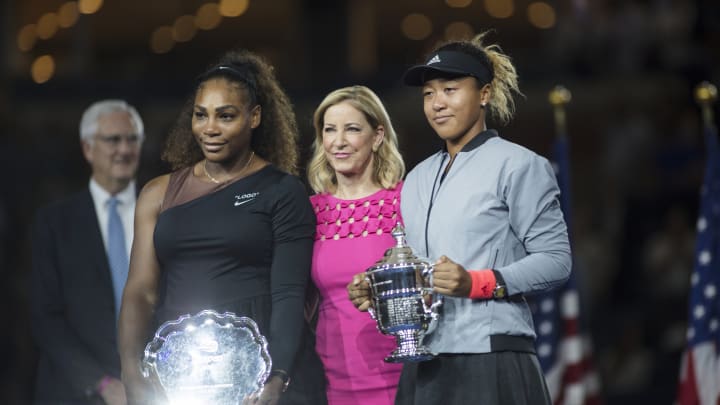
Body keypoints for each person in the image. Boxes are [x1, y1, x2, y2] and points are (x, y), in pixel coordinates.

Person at [348, 32, 572, 404]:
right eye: (428, 94)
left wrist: (477, 282)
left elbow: (557, 261)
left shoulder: (520, 165)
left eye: (450, 89)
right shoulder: (417, 178)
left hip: (492, 355)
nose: (437, 103)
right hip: (425, 358)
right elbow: (418, 271)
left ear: (483, 94)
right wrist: (381, 290)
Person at [118, 49, 325, 405]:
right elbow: (140, 291)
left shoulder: (282, 191)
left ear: (254, 117)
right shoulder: (158, 193)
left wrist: (277, 378)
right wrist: (131, 372)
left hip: (262, 372)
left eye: (225, 116)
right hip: (180, 375)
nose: (210, 128)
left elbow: (289, 296)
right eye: (201, 115)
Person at [31, 99, 145, 405]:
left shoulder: (163, 213)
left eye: (132, 139)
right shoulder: (54, 222)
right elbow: (44, 317)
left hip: (153, 389)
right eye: (112, 139)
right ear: (87, 149)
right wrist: (102, 382)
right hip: (75, 391)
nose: (124, 149)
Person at [307, 85, 406, 404]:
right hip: (332, 378)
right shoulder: (308, 212)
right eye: (330, 130)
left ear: (377, 136)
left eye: (352, 129)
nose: (338, 141)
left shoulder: (406, 202)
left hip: (402, 374)